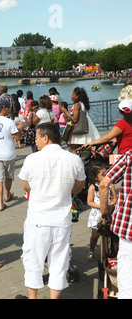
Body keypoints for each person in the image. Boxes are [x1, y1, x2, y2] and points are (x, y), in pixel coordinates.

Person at [17, 122, 86, 299]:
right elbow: (79, 187)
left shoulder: (32, 159)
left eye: (37, 137)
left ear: (45, 137)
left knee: (34, 260)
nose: (36, 141)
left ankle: (33, 297)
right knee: (59, 262)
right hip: (61, 220)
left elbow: (26, 185)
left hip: (38, 219)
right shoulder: (73, 159)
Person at [99, 148, 132, 299]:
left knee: (127, 280)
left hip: (128, 226)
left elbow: (104, 183)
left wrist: (105, 210)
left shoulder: (129, 155)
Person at [86, 162, 117, 262]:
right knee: (95, 235)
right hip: (97, 215)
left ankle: (113, 252)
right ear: (95, 177)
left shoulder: (110, 185)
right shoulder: (93, 188)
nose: (106, 176)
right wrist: (102, 206)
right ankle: (91, 250)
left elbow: (114, 199)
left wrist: (110, 205)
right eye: (103, 175)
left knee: (112, 234)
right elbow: (89, 202)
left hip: (109, 213)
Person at [59, 87, 100, 153]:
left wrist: (65, 111)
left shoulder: (77, 104)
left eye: (73, 95)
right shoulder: (83, 104)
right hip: (84, 130)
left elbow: (75, 119)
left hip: (76, 131)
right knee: (84, 152)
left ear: (77, 96)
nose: (71, 97)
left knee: (74, 151)